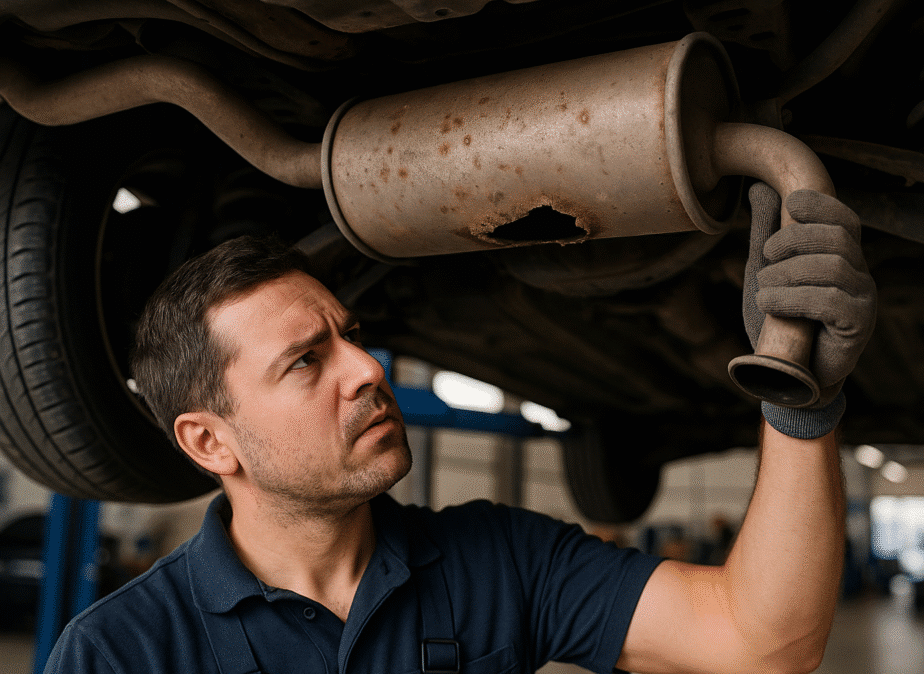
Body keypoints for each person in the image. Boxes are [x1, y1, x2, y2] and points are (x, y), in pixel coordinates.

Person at [44, 183, 875, 674]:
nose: (368, 371)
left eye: (352, 336)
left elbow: (760, 642)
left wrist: (798, 400)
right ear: (208, 442)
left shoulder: (498, 560)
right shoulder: (122, 652)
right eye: (305, 361)